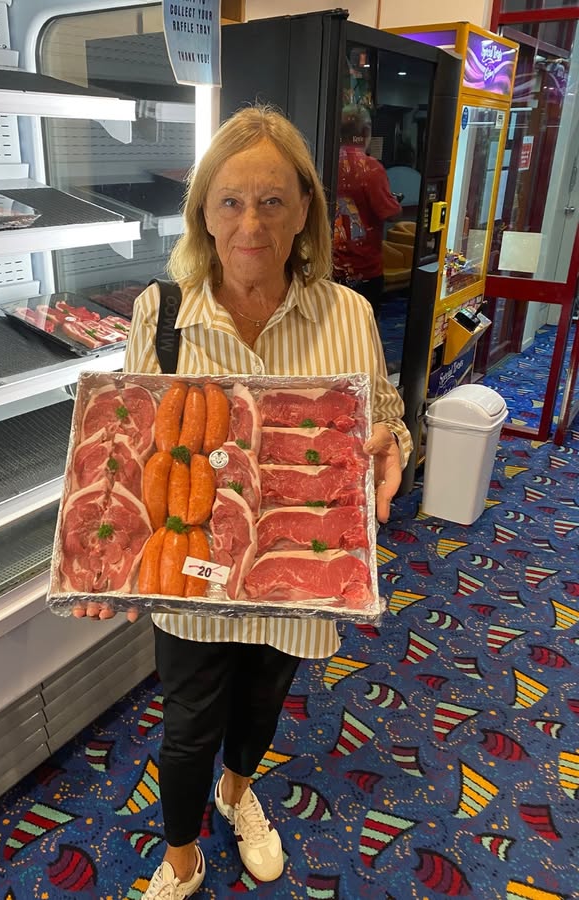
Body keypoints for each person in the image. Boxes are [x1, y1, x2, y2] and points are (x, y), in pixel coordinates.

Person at [74, 105, 412, 900]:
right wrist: (109, 562)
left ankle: (239, 793)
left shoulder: (350, 314)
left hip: (297, 567)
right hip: (190, 577)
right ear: (203, 212)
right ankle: (183, 856)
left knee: (265, 700)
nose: (250, 221)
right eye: (229, 200)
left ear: (304, 211)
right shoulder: (161, 314)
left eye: (272, 200)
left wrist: (398, 443)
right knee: (189, 721)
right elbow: (132, 452)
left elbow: (384, 418)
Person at [333, 104, 402, 316]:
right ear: (366, 131)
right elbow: (389, 212)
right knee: (363, 331)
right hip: (363, 268)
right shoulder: (371, 168)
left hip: (329, 264)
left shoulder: (324, 161)